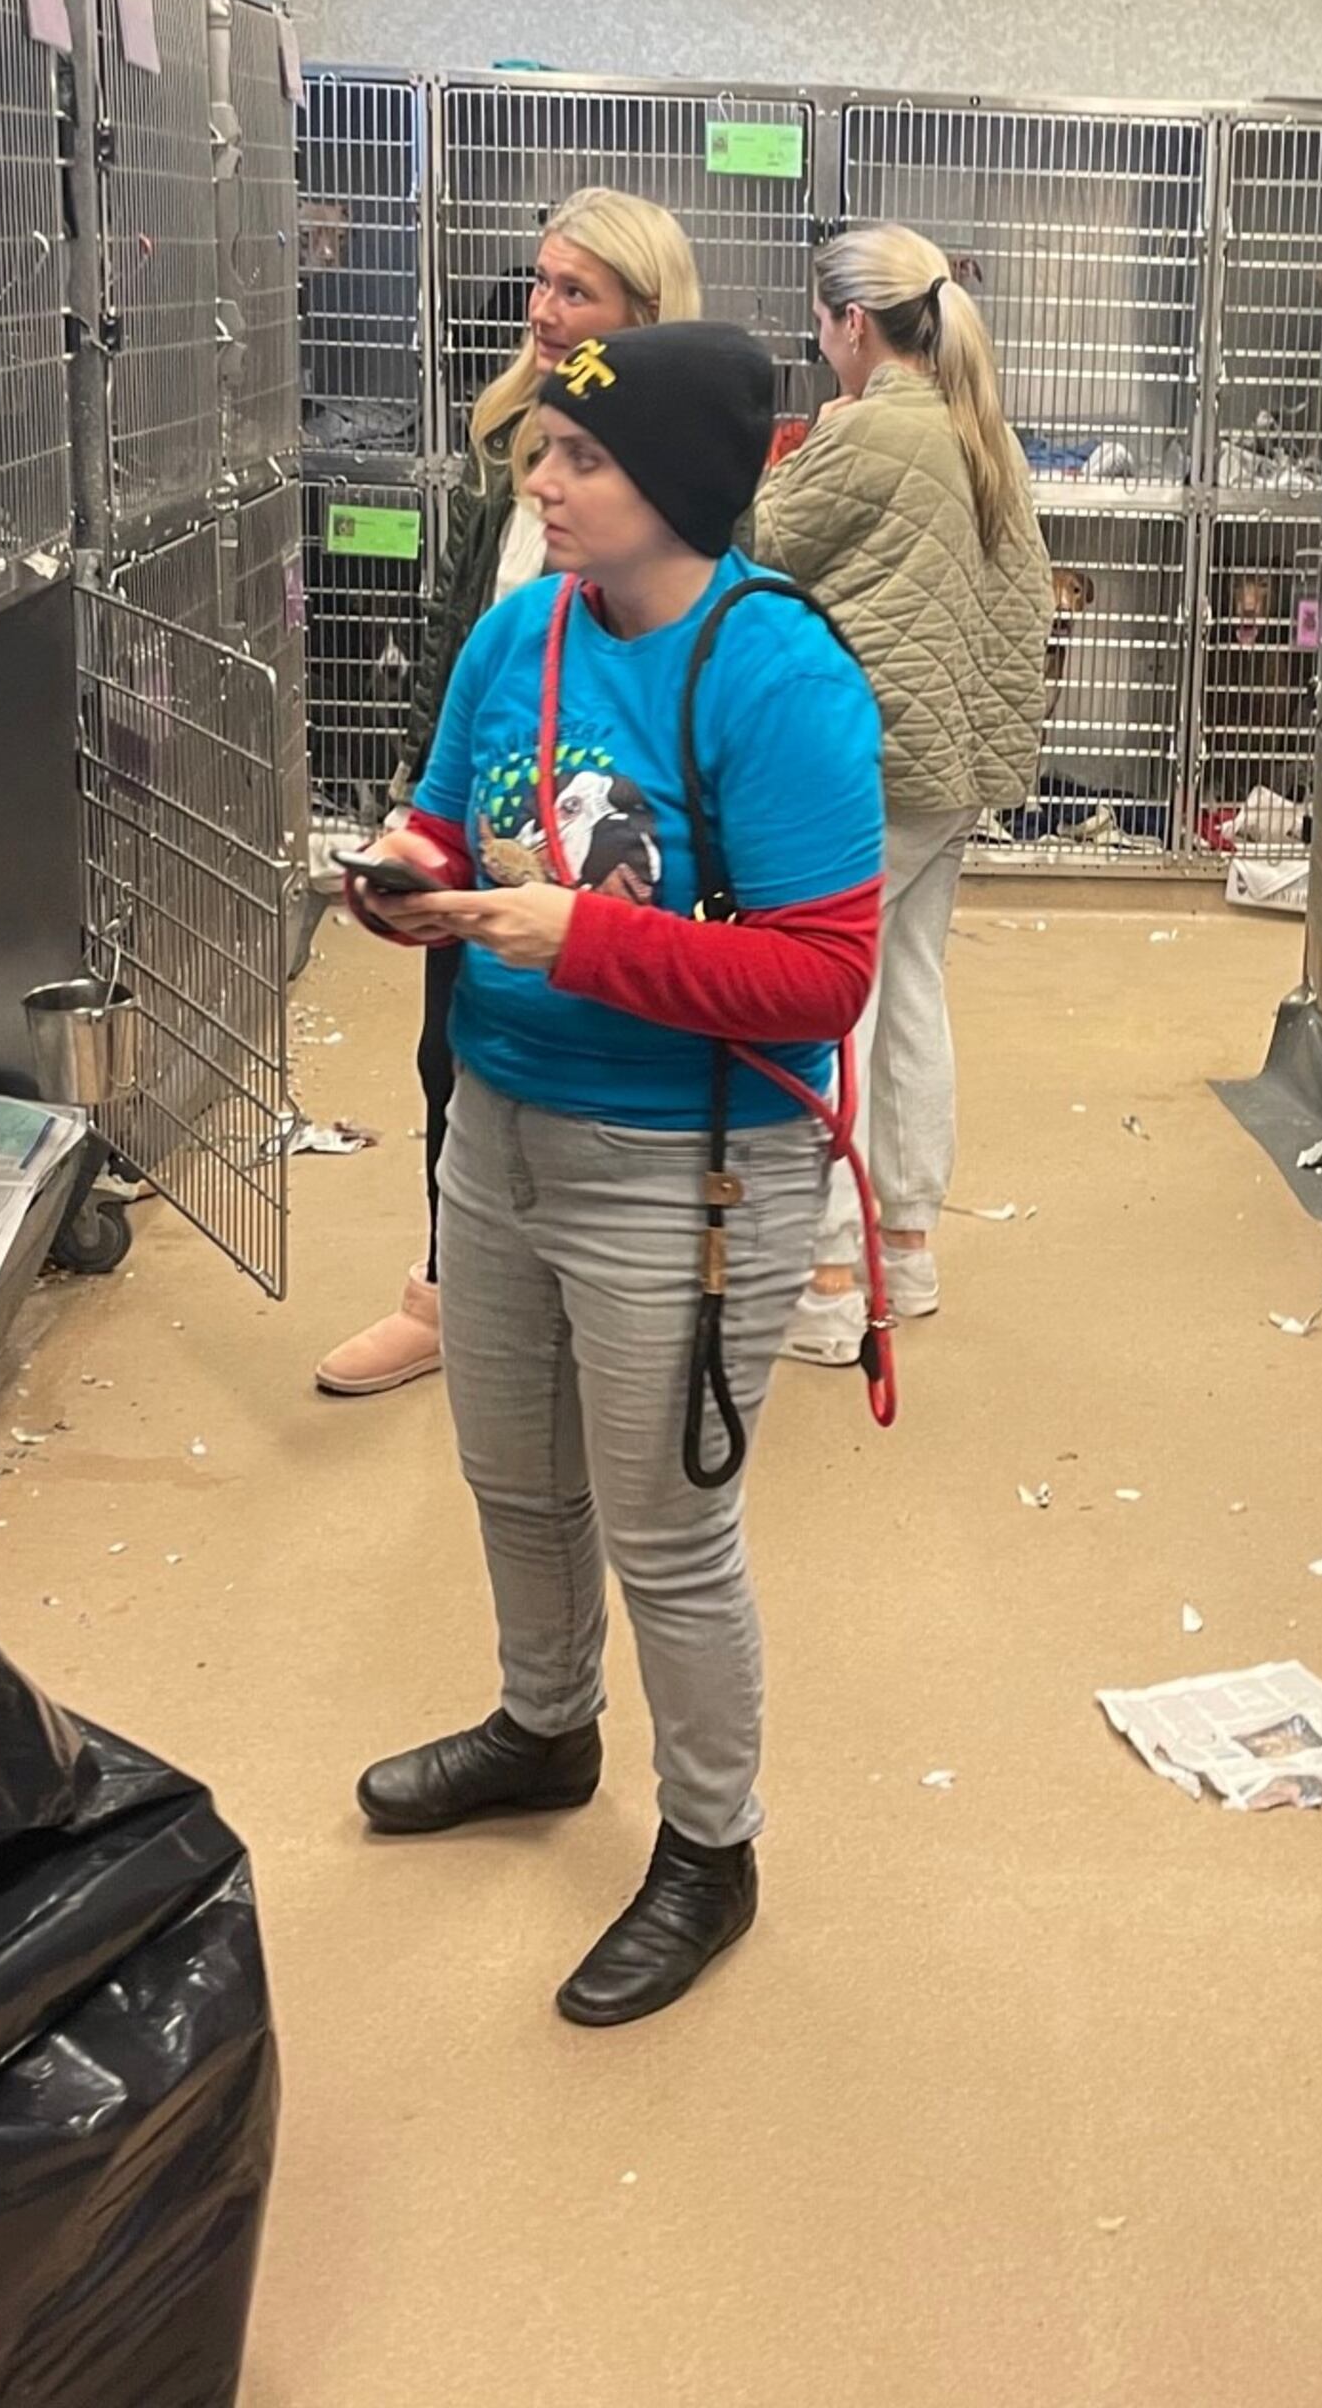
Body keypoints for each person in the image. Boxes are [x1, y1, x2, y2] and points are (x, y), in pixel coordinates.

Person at [342, 319, 886, 2027]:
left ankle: (711, 1849)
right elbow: (446, 814)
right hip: (496, 1128)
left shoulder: (777, 672)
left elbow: (822, 979)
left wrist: (583, 937)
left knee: (668, 1533)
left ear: (680, 488)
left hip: (689, 1166)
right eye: (545, 457)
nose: (545, 482)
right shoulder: (524, 634)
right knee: (514, 1478)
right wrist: (400, 872)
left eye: (583, 459)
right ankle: (544, 1727)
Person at [313, 190, 706, 1398]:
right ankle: (448, 1293)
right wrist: (415, 809)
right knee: (453, 1054)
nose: (541, 311)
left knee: (607, 1056)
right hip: (484, 805)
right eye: (539, 283)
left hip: (605, 823)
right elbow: (459, 628)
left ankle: (637, 1297)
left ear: (642, 313)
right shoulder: (508, 440)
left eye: (573, 292)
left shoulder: (682, 477)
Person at [750, 224, 1052, 1366]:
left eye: (819, 325)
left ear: (852, 325)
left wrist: (798, 451)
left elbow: (759, 545)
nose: (819, 344)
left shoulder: (869, 431)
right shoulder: (985, 429)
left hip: (872, 764)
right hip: (960, 764)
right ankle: (908, 1247)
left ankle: (829, 1282)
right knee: (910, 988)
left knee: (826, 1002)